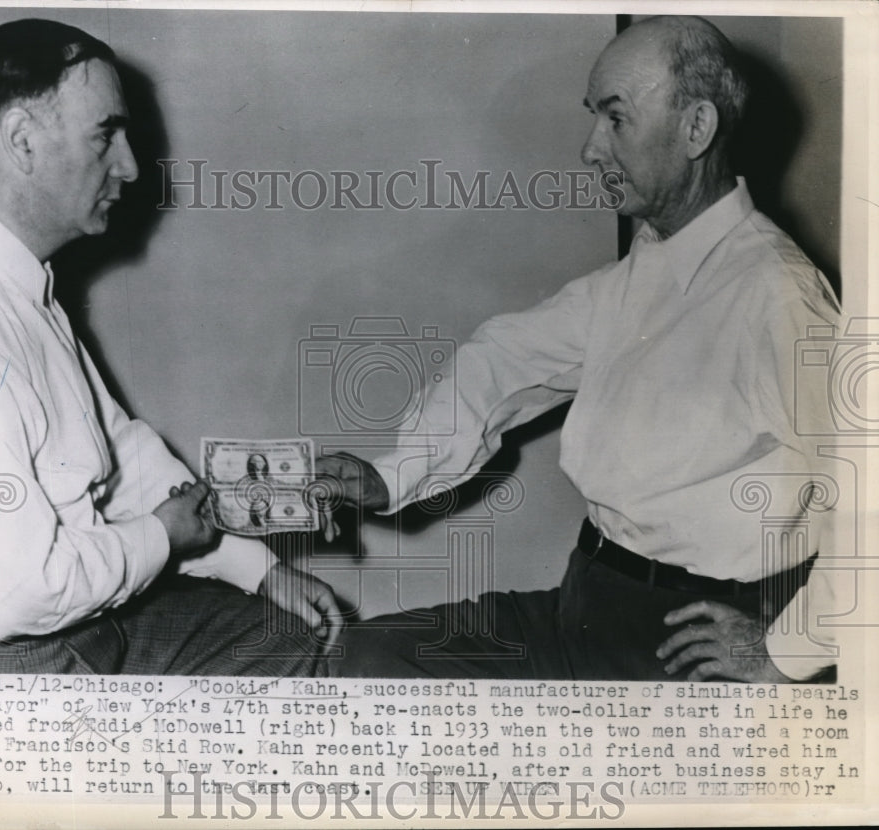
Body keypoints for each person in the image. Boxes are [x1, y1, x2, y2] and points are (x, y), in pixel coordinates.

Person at [317, 15, 840, 683]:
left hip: (681, 645)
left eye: (615, 119)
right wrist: (388, 477)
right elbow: (500, 362)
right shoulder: (649, 267)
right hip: (582, 609)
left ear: (696, 129)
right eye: (594, 118)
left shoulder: (780, 296)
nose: (591, 149)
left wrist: (785, 652)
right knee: (366, 658)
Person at [0, 18, 342, 674]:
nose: (131, 166)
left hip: (85, 617)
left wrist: (259, 571)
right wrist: (164, 537)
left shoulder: (19, 288)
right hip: (1, 655)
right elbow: (17, 594)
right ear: (22, 140)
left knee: (290, 638)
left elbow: (121, 458)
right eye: (105, 134)